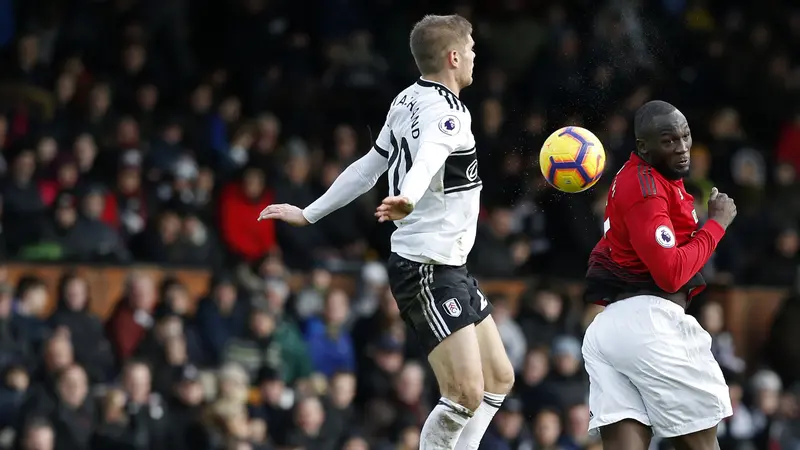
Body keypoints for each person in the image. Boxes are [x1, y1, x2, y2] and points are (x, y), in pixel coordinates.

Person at [257, 14, 515, 450]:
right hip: (427, 268)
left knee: (499, 378)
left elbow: (367, 167)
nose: (474, 55)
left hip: (451, 264)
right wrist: (410, 197)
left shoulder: (407, 99)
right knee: (465, 393)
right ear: (453, 58)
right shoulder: (449, 116)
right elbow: (430, 156)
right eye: (470, 48)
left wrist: (310, 213)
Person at [581, 100, 738, 450]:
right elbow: (670, 274)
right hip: (651, 324)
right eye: (668, 141)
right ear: (643, 147)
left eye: (685, 137)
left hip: (613, 328)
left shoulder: (647, 178)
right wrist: (716, 225)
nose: (682, 149)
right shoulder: (647, 190)